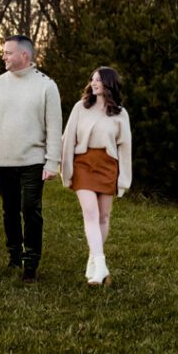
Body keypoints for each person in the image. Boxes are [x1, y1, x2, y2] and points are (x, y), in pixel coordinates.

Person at [0, 35, 62, 283]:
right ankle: (14, 254)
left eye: (8, 52)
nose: (3, 56)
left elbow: (54, 128)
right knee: (9, 210)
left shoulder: (47, 86)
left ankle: (31, 264)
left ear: (24, 55)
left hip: (34, 161)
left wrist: (52, 162)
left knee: (31, 210)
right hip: (4, 162)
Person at [60, 67, 132, 286]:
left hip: (108, 165)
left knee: (103, 216)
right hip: (83, 163)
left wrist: (123, 179)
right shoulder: (80, 108)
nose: (93, 83)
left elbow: (125, 147)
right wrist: (66, 170)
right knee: (90, 213)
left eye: (98, 80)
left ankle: (93, 259)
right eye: (92, 79)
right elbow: (68, 139)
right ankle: (101, 265)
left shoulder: (120, 113)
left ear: (109, 83)